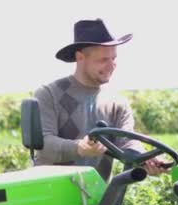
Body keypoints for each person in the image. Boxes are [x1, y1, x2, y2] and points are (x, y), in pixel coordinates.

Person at [33, 18, 168, 182]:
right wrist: (79, 148)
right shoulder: (49, 94)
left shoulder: (117, 103)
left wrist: (144, 158)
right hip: (51, 194)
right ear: (80, 57)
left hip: (98, 198)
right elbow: (43, 146)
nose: (112, 66)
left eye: (114, 58)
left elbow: (127, 142)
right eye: (103, 59)